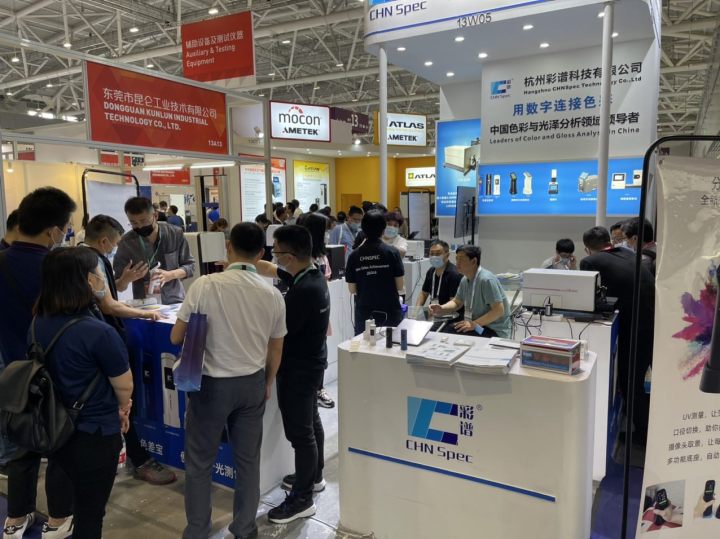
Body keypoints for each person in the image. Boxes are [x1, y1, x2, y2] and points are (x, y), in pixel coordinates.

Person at [170, 222, 286, 539]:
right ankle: (245, 528)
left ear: (228, 247)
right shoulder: (273, 294)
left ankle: (198, 530)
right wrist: (266, 382)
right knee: (248, 463)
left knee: (200, 462)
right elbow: (276, 348)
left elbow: (176, 336)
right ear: (261, 254)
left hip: (210, 386)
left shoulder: (205, 285)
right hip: (252, 384)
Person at [32, 247, 134, 539]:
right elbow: (123, 384)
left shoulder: (38, 321)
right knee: (90, 511)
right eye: (99, 272)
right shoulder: (98, 332)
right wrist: (123, 408)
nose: (102, 277)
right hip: (95, 432)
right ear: (88, 280)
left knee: (79, 502)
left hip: (55, 427)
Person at [0, 187, 76, 539]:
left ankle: (16, 519)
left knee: (22, 445)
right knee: (60, 445)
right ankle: (59, 520)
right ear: (53, 231)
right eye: (65, 228)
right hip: (58, 373)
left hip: (14, 373)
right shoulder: (59, 268)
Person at [81, 215, 177, 486]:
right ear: (104, 241)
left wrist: (123, 281)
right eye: (114, 243)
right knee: (122, 400)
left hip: (87, 340)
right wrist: (143, 314)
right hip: (100, 339)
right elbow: (108, 305)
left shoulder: (79, 257)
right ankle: (137, 458)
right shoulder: (90, 261)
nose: (115, 248)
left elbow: (108, 295)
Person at [255, 226, 330, 524]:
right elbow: (287, 275)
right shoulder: (313, 276)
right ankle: (314, 476)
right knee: (311, 422)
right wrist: (266, 267)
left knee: (300, 435)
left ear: (289, 255)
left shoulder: (303, 292)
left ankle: (302, 499)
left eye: (276, 251)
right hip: (312, 365)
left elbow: (280, 335)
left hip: (298, 370)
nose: (274, 256)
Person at [580, 226, 655, 446]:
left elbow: (586, 299)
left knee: (630, 380)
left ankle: (643, 435)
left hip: (637, 328)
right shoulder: (628, 254)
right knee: (637, 378)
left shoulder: (591, 262)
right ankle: (646, 426)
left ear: (587, 248)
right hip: (650, 322)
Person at [113, 197, 195, 305]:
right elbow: (118, 286)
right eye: (134, 223)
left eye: (143, 221)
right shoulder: (126, 243)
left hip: (174, 302)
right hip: (143, 305)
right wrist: (126, 279)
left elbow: (190, 266)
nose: (140, 226)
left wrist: (170, 275)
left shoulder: (175, 233)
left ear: (155, 215)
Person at [295, 213, 335, 409]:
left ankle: (319, 388)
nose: (328, 234)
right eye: (325, 230)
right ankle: (311, 390)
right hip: (306, 310)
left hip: (321, 308)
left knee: (321, 349)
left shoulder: (321, 256)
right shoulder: (300, 257)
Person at [430, 245, 511, 338]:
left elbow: (498, 311)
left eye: (461, 259)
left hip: (494, 330)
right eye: (456, 259)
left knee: (451, 332)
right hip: (477, 325)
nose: (457, 263)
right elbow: (457, 302)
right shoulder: (465, 279)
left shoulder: (486, 280)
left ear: (474, 261)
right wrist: (441, 308)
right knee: (448, 329)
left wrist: (474, 324)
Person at [345, 210, 405, 334]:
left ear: (363, 228)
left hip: (365, 313)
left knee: (365, 344)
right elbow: (400, 286)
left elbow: (352, 289)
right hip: (390, 312)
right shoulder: (392, 252)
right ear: (383, 229)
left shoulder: (353, 256)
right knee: (390, 344)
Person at [416, 240, 463, 317]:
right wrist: (416, 310)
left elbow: (454, 303)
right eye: (431, 254)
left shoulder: (455, 274)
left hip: (451, 316)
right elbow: (424, 294)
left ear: (447, 255)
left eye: (438, 254)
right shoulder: (431, 271)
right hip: (434, 314)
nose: (434, 256)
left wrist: (440, 310)